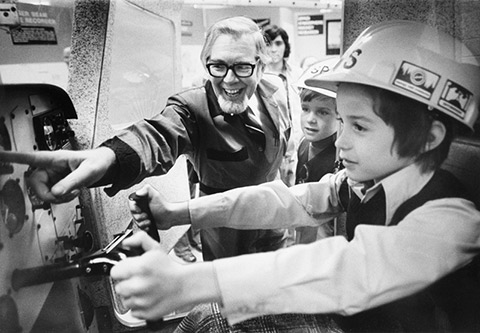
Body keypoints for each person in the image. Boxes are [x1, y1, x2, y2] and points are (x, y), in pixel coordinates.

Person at [111, 20, 480, 332]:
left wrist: (191, 282)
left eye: (361, 127)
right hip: (351, 322)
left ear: (430, 138)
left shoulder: (451, 220)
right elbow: (290, 200)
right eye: (344, 123)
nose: (341, 143)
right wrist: (180, 212)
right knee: (207, 318)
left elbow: (349, 269)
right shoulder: (362, 185)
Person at [1, 16, 292, 262]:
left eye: (242, 67)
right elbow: (156, 136)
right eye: (218, 66)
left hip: (276, 220)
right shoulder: (193, 107)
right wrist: (109, 158)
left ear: (261, 65)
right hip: (227, 233)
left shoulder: (277, 92)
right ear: (207, 64)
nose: (229, 80)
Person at [293, 58, 340, 244]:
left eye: (322, 112)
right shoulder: (304, 144)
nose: (310, 119)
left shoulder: (339, 157)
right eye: (306, 109)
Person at [264, 24, 303, 187]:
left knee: (296, 190)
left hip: (297, 140)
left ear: (286, 46)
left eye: (278, 44)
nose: (273, 49)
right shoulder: (259, 75)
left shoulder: (297, 73)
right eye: (269, 44)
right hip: (271, 143)